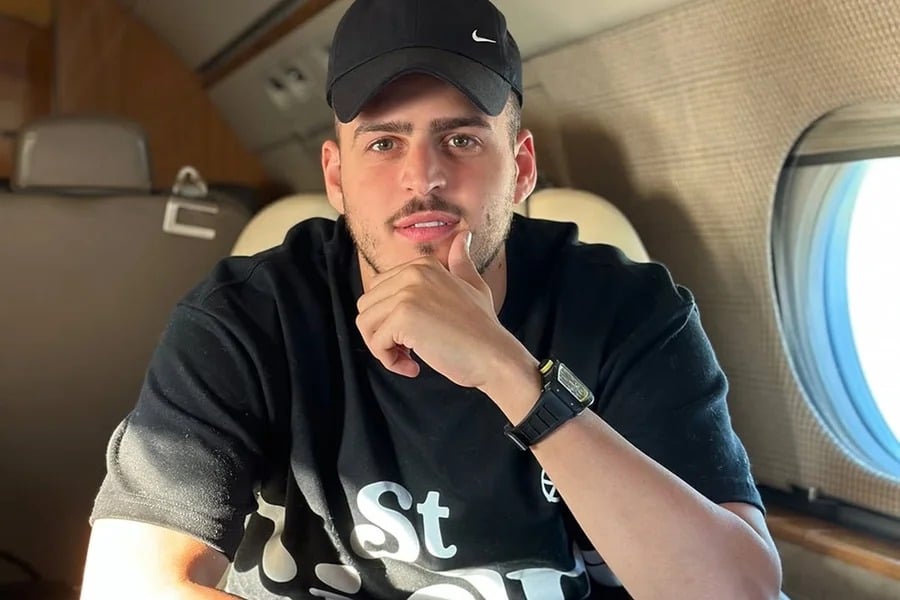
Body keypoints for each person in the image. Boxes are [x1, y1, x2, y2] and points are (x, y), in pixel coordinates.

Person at [80, 0, 782, 598]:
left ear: (522, 167)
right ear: (335, 176)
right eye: (384, 143)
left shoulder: (631, 312)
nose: (424, 178)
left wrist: (509, 372)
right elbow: (127, 585)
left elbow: (740, 591)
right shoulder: (244, 320)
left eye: (462, 138)